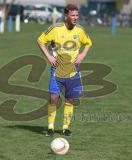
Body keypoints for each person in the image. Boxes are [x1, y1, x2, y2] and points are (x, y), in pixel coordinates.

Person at [37, 4, 92, 137]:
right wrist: (49, 56)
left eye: (77, 15)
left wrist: (82, 55)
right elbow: (40, 40)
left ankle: (65, 128)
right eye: (72, 15)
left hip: (73, 71)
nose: (75, 18)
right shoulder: (55, 29)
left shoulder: (79, 30)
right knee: (54, 98)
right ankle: (50, 127)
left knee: (70, 100)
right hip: (57, 70)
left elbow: (89, 43)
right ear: (66, 16)